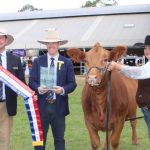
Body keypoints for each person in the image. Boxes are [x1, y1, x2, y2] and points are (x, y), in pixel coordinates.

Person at [29, 28, 77, 150]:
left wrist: (62, 90)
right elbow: (31, 82)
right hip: (41, 106)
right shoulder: (37, 62)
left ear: (59, 44)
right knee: (40, 142)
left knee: (60, 140)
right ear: (46, 45)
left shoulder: (67, 63)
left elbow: (72, 84)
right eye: (49, 43)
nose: (51, 45)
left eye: (54, 43)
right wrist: (38, 88)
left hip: (59, 106)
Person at [107, 35, 150, 138]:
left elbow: (140, 72)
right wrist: (121, 67)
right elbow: (139, 71)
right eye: (145, 48)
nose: (147, 50)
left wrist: (118, 66)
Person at [0, 27, 25, 150]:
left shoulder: (15, 59)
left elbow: (21, 81)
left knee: (5, 137)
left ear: (6, 39)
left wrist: (30, 94)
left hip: (7, 104)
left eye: (1, 37)